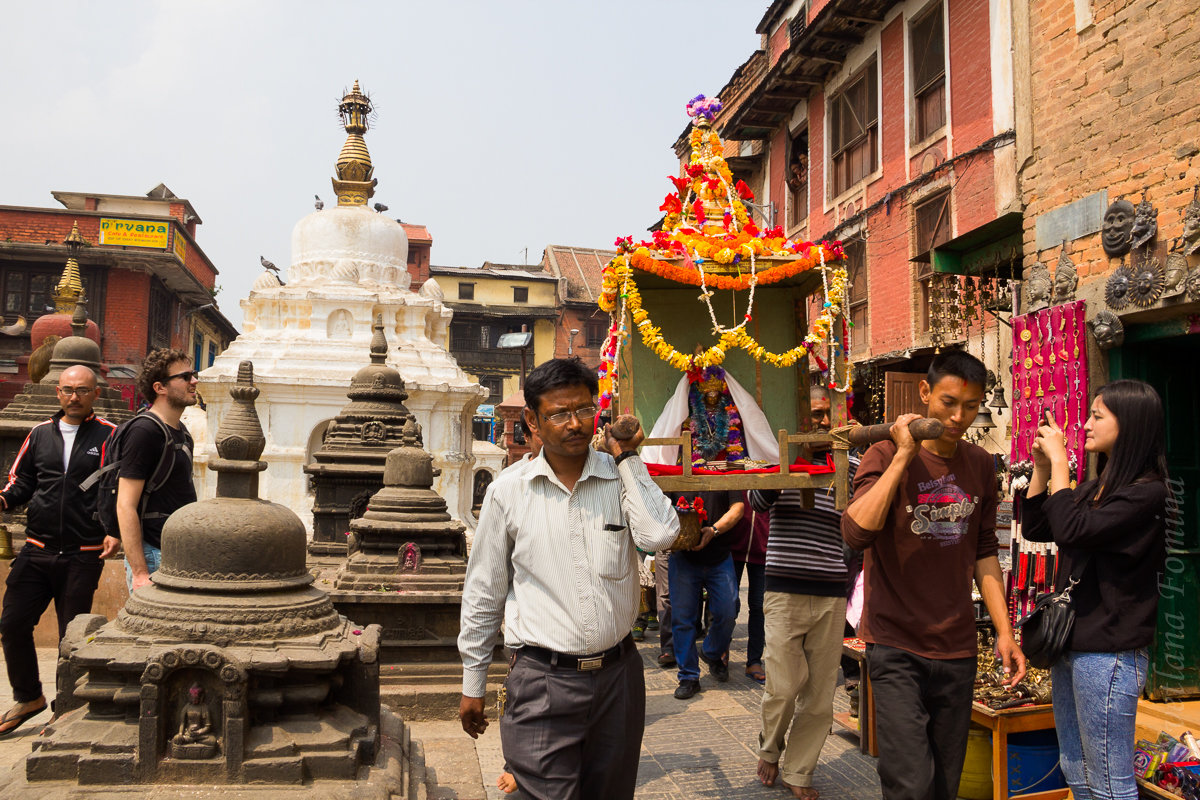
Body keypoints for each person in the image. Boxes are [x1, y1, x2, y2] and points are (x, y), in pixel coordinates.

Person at [457, 357, 679, 800]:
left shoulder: (621, 479)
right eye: (559, 413)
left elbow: (660, 535)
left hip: (619, 679)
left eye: (583, 409)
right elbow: (485, 590)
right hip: (542, 681)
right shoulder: (508, 491)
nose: (575, 423)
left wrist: (628, 457)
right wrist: (473, 682)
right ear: (533, 422)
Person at [842, 349, 1025, 800]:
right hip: (896, 645)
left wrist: (1005, 632)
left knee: (945, 786)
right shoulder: (883, 453)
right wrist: (903, 457)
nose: (958, 416)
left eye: (970, 406)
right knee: (910, 784)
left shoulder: (981, 465)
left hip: (956, 649)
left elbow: (985, 553)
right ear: (925, 393)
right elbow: (856, 531)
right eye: (948, 402)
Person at [1022, 379, 1167, 800]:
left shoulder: (1148, 493)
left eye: (1097, 416)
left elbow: (1071, 530)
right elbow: (1037, 526)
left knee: (1109, 779)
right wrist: (1044, 469)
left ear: (1131, 425)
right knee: (1076, 767)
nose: (1084, 425)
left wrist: (1062, 465)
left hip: (1109, 654)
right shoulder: (1096, 489)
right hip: (1072, 645)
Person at [750, 385, 858, 798]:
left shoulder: (850, 464)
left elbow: (863, 516)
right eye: (812, 414)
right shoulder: (776, 457)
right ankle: (770, 748)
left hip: (831, 590)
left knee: (818, 696)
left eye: (827, 414)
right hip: (784, 589)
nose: (821, 422)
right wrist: (789, 458)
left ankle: (799, 771)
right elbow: (758, 499)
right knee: (782, 685)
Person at [0, 364, 119, 737]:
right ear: (57, 393)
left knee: (73, 637)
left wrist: (112, 530)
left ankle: (64, 707)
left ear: (95, 394)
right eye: (67, 389)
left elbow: (117, 488)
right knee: (12, 624)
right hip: (36, 549)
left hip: (83, 554)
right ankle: (29, 697)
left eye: (82, 390)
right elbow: (20, 483)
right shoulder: (38, 435)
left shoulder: (110, 436)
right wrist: (3, 501)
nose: (74, 396)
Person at [118, 348, 198, 592]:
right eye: (185, 377)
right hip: (153, 554)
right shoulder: (144, 432)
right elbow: (125, 505)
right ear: (160, 387)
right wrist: (141, 573)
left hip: (176, 553)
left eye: (193, 374)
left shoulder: (182, 432)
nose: (194, 381)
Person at [667, 489, 744, 699]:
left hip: (719, 556)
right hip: (683, 558)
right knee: (683, 620)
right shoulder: (674, 467)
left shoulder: (725, 466)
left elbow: (738, 508)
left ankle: (711, 652)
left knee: (728, 610)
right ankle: (688, 676)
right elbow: (659, 507)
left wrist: (714, 530)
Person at [729, 490, 767, 683]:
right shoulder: (737, 460)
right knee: (729, 604)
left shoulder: (771, 464)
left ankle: (754, 660)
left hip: (763, 547)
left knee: (759, 607)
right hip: (733, 545)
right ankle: (721, 651)